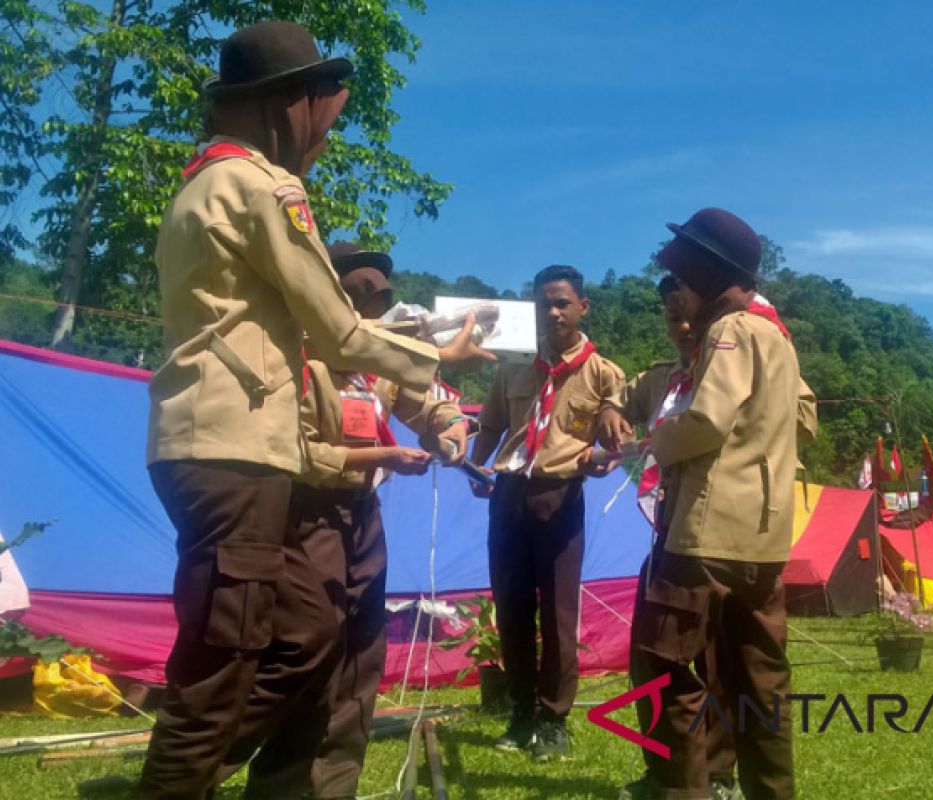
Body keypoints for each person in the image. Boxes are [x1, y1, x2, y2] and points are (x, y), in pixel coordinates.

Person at [142, 22, 485, 799]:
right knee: (223, 667)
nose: (322, 136)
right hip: (238, 452)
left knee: (237, 656)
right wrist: (440, 358)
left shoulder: (196, 185)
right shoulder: (263, 185)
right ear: (287, 106)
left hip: (197, 441)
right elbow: (333, 327)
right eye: (319, 113)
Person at [217, 243, 474, 798]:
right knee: (304, 648)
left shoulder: (378, 357)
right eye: (357, 295)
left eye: (379, 299)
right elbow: (294, 450)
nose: (370, 311)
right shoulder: (289, 354)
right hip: (302, 513)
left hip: (361, 516)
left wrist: (451, 424)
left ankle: (333, 786)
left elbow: (425, 400)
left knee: (361, 652)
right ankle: (231, 772)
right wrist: (382, 458)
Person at [619, 208, 817, 800]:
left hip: (705, 536)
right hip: (764, 536)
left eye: (684, 273)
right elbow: (802, 418)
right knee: (760, 680)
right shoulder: (777, 335)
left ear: (709, 272)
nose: (677, 287)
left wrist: (648, 443)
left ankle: (682, 791)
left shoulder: (730, 330)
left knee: (670, 672)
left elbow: (706, 418)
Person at [469, 265, 625, 762]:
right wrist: (476, 465)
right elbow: (492, 425)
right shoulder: (513, 365)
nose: (552, 312)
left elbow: (612, 434)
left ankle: (554, 719)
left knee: (559, 613)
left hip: (560, 496)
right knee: (511, 609)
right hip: (510, 492)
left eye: (562, 302)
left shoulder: (603, 373)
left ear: (583, 307)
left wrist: (605, 454)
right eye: (543, 303)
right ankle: (520, 711)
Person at [597, 276, 740, 800]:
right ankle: (666, 772)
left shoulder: (734, 367)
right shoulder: (664, 380)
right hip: (668, 531)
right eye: (671, 318)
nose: (682, 329)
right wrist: (612, 410)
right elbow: (619, 399)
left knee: (716, 658)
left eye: (690, 317)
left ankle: (716, 776)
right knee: (653, 656)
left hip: (722, 530)